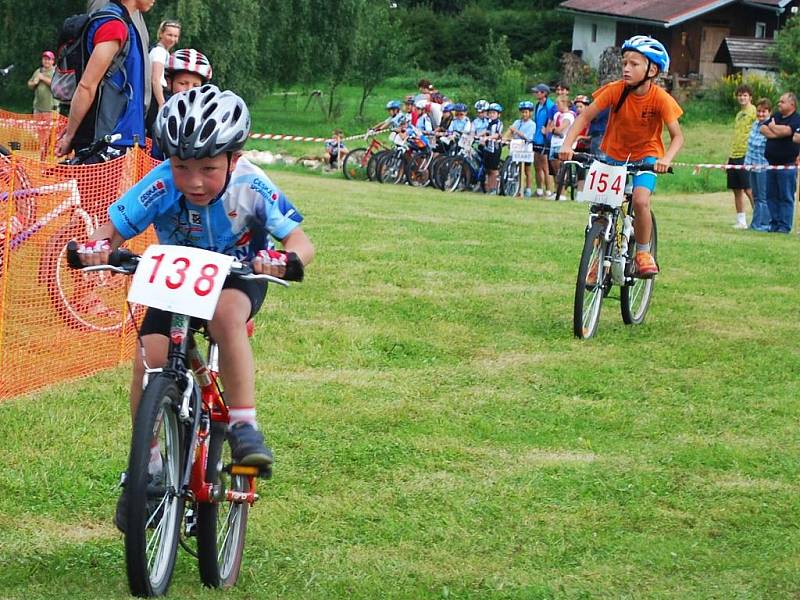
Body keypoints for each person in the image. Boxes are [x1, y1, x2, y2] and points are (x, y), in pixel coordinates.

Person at [74, 86, 315, 530]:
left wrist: (285, 259)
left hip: (237, 277)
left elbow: (300, 240)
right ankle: (147, 464)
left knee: (226, 316)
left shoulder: (250, 185)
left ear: (234, 159)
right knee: (150, 357)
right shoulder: (162, 181)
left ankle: (244, 426)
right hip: (176, 279)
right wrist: (97, 249)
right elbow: (111, 231)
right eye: (183, 167)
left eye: (208, 168)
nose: (195, 181)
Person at [560, 35, 684, 278]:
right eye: (625, 63)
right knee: (600, 210)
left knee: (639, 200)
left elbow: (678, 136)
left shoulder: (660, 98)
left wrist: (666, 158)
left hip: (646, 156)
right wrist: (567, 143)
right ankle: (595, 258)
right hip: (611, 155)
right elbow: (584, 118)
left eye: (634, 64)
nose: (626, 68)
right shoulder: (614, 90)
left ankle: (643, 252)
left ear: (652, 69)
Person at [56, 0, 154, 161]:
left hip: (118, 136)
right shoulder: (113, 25)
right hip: (103, 138)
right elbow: (87, 86)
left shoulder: (125, 23)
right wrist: (70, 135)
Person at [87, 0, 151, 112]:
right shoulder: (108, 8)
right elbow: (90, 82)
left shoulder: (135, 11)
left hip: (132, 108)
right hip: (111, 112)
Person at [760, 92, 800, 233]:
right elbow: (763, 129)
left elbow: (788, 131)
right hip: (771, 164)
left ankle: (784, 226)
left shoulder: (796, 119)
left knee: (786, 196)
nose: (779, 104)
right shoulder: (776, 116)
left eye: (782, 102)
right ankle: (774, 224)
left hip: (787, 165)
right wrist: (777, 131)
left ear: (792, 104)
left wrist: (774, 128)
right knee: (771, 196)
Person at [728, 84, 756, 229]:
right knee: (736, 189)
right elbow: (735, 136)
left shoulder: (754, 112)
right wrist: (728, 156)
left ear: (750, 97)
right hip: (734, 154)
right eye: (740, 95)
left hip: (747, 154)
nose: (742, 98)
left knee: (748, 189)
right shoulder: (738, 115)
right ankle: (741, 221)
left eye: (745, 95)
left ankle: (758, 218)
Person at [745, 98, 772, 232]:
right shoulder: (755, 124)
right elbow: (751, 145)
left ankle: (763, 224)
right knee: (755, 196)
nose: (761, 114)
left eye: (764, 111)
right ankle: (756, 223)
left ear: (769, 112)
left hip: (763, 166)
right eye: (759, 111)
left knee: (762, 197)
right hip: (751, 164)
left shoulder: (770, 125)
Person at [505, 100, 536, 197]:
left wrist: (516, 131)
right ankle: (517, 187)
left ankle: (528, 188)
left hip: (526, 149)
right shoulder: (517, 122)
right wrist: (505, 138)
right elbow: (510, 130)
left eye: (526, 112)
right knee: (517, 168)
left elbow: (527, 137)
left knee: (527, 170)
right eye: (522, 112)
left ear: (530, 113)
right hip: (516, 147)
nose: (524, 114)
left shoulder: (532, 124)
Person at [148, 20, 181, 111]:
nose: (172, 39)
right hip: (156, 95)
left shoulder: (164, 52)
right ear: (161, 34)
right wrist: (161, 103)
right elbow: (155, 79)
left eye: (175, 36)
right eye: (169, 35)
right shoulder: (159, 52)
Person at [531, 83, 556, 197]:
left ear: (544, 93)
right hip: (537, 138)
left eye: (538, 92)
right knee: (537, 164)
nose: (535, 94)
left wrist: (548, 130)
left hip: (545, 140)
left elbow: (554, 120)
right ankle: (539, 189)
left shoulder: (550, 106)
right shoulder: (537, 105)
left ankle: (549, 190)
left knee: (546, 166)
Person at [549, 97, 576, 200]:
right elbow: (550, 128)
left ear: (565, 103)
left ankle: (563, 193)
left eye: (558, 102)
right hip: (554, 142)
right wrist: (552, 129)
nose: (556, 105)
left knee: (561, 169)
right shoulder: (557, 115)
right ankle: (557, 191)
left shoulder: (569, 116)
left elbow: (560, 130)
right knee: (555, 169)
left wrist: (553, 129)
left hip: (562, 143)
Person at [482, 103, 503, 194]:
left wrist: (488, 137)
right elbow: (486, 131)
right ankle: (489, 187)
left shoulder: (499, 123)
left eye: (494, 113)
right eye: (490, 113)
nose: (491, 115)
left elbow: (497, 134)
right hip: (488, 148)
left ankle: (494, 188)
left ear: (498, 114)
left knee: (493, 170)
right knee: (488, 169)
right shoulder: (490, 123)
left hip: (495, 149)